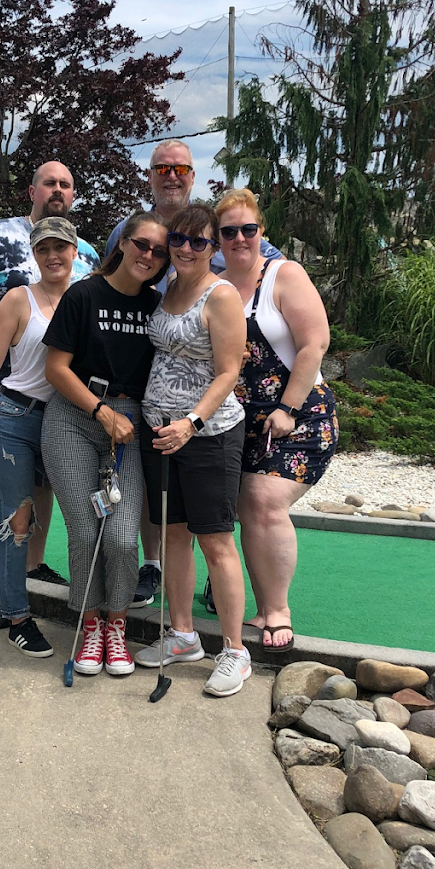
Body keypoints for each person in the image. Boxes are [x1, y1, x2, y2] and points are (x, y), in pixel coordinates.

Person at [107, 140, 281, 609]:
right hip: (152, 411)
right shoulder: (134, 235)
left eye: (181, 168)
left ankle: (230, 631)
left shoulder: (219, 237)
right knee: (168, 521)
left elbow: (265, 264)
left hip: (207, 418)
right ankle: (160, 579)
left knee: (213, 532)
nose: (171, 175)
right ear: (149, 174)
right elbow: (116, 285)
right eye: (162, 167)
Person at [0, 162, 99, 624]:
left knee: (43, 483)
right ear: (33, 190)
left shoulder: (86, 254)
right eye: (50, 183)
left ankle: (33, 563)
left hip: (60, 396)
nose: (58, 190)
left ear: (74, 194)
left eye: (66, 184)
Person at [42, 213, 170, 678]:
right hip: (74, 418)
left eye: (159, 251)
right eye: (141, 244)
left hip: (130, 424)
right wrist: (100, 411)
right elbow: (56, 368)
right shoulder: (84, 294)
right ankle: (91, 625)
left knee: (119, 536)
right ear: (123, 243)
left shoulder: (158, 306)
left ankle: (117, 624)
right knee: (84, 532)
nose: (148, 255)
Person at [134, 203, 251, 698]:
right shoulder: (167, 287)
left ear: (212, 247)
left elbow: (228, 372)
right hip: (160, 433)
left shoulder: (220, 295)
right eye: (178, 239)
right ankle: (183, 636)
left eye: (198, 241)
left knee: (216, 541)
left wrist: (191, 422)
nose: (185, 248)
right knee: (174, 536)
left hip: (208, 435)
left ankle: (235, 650)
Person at [216, 187, 337, 652]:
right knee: (248, 508)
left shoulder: (284, 275)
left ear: (260, 231)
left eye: (248, 229)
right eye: (229, 231)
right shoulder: (216, 285)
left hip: (299, 415)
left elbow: (315, 344)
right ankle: (262, 605)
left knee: (263, 500)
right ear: (218, 237)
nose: (239, 239)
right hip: (240, 422)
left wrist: (286, 408)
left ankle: (278, 610)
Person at [0, 218, 79, 660]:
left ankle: (94, 613)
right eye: (43, 248)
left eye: (60, 247)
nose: (53, 256)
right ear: (34, 253)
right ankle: (18, 618)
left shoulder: (85, 298)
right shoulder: (18, 299)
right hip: (13, 416)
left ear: (74, 252)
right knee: (15, 521)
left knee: (83, 515)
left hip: (66, 421)